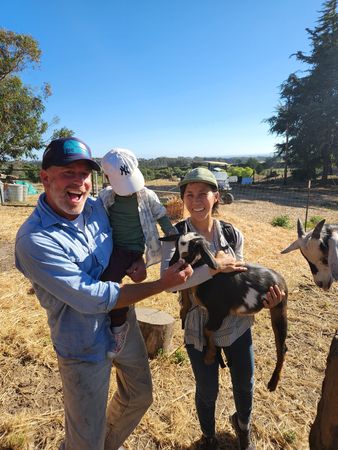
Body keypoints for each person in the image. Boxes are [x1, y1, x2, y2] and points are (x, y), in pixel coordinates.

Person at [15, 137, 193, 450]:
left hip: (122, 323)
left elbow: (121, 243)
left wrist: (135, 261)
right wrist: (162, 284)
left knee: (139, 396)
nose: (79, 182)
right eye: (68, 173)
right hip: (82, 344)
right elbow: (94, 297)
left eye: (84, 174)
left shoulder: (98, 207)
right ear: (44, 178)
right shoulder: (34, 240)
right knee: (85, 439)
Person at [161, 167, 284, 450]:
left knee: (245, 383)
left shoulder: (231, 233)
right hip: (198, 326)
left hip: (237, 325)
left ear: (216, 197)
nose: (196, 200)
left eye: (203, 193)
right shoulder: (176, 235)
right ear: (182, 199)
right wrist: (214, 269)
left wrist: (267, 300)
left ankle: (243, 429)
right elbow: (168, 284)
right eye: (189, 194)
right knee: (207, 389)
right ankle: (208, 437)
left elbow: (238, 277)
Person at [99, 148, 176, 359]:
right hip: (113, 248)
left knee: (111, 283)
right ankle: (112, 315)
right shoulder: (106, 197)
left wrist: (172, 233)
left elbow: (161, 215)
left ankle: (118, 326)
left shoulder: (147, 195)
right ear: (107, 178)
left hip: (133, 249)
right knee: (107, 280)